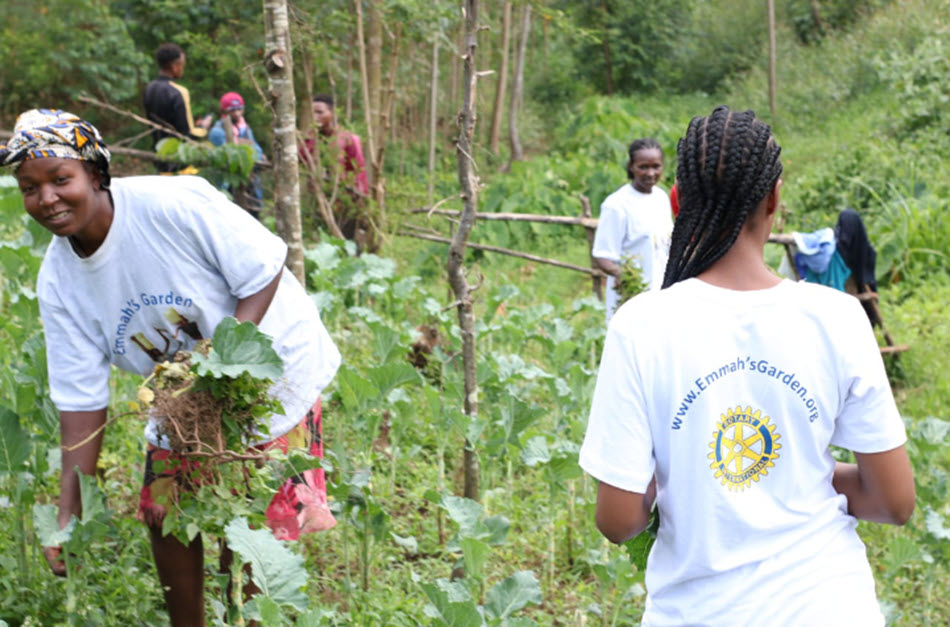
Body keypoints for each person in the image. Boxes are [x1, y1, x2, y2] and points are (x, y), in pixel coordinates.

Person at [1, 109, 341, 626]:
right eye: (29, 187)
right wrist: (68, 514)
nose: (46, 198)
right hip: (182, 393)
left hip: (272, 365)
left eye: (60, 179)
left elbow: (262, 268)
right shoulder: (59, 283)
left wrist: (221, 356)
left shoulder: (171, 204)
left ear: (95, 174)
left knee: (249, 534)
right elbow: (81, 401)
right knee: (164, 514)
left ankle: (248, 618)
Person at [579, 106, 915, 626]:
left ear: (678, 200)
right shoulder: (838, 316)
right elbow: (894, 501)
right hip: (830, 607)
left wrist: (697, 482)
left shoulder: (641, 325)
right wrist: (801, 474)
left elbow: (619, 519)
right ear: (775, 199)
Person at [591, 138, 673, 323]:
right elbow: (602, 255)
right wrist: (625, 276)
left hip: (662, 294)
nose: (650, 173)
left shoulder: (661, 198)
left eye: (656, 166)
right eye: (643, 167)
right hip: (631, 296)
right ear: (631, 167)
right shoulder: (617, 205)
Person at [300, 94, 373, 248]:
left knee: (347, 243)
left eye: (320, 112)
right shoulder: (311, 141)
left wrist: (360, 199)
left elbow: (358, 170)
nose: (315, 117)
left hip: (345, 203)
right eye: (313, 113)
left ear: (332, 114)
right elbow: (302, 161)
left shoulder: (348, 139)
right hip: (319, 202)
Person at [143, 42, 212, 172]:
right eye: (182, 65)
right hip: (179, 164)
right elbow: (186, 134)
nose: (182, 69)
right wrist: (203, 127)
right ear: (174, 66)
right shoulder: (179, 92)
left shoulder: (149, 88)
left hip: (160, 159)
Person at [208, 91, 264, 220]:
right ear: (225, 111)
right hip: (229, 186)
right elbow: (229, 159)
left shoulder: (245, 128)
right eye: (232, 110)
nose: (237, 113)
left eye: (239, 109)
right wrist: (246, 147)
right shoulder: (217, 131)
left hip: (251, 186)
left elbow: (258, 153)